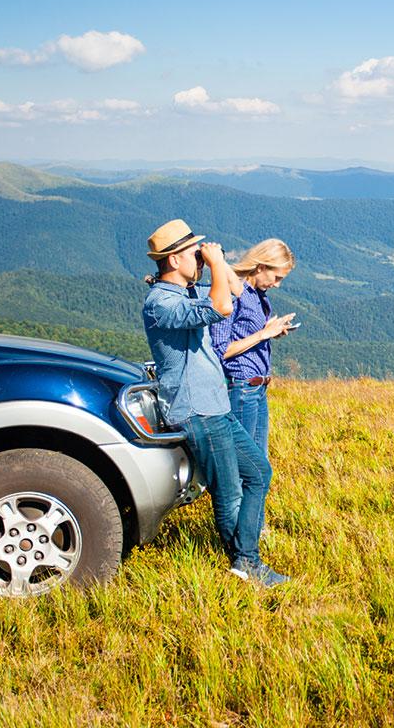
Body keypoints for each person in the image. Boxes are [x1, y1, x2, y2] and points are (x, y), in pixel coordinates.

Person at [141, 219, 288, 588]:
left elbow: (236, 290)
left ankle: (244, 554)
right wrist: (216, 264)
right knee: (228, 488)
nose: (200, 258)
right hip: (196, 411)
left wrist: (215, 262)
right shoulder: (161, 302)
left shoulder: (189, 293)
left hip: (215, 406)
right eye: (193, 253)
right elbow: (222, 307)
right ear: (174, 260)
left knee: (259, 472)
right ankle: (246, 562)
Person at [209, 239, 297, 462]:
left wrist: (270, 330)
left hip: (257, 389)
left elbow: (244, 335)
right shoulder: (232, 293)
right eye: (276, 278)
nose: (277, 284)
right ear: (261, 267)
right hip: (241, 387)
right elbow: (220, 350)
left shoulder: (255, 294)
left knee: (259, 464)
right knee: (246, 466)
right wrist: (263, 334)